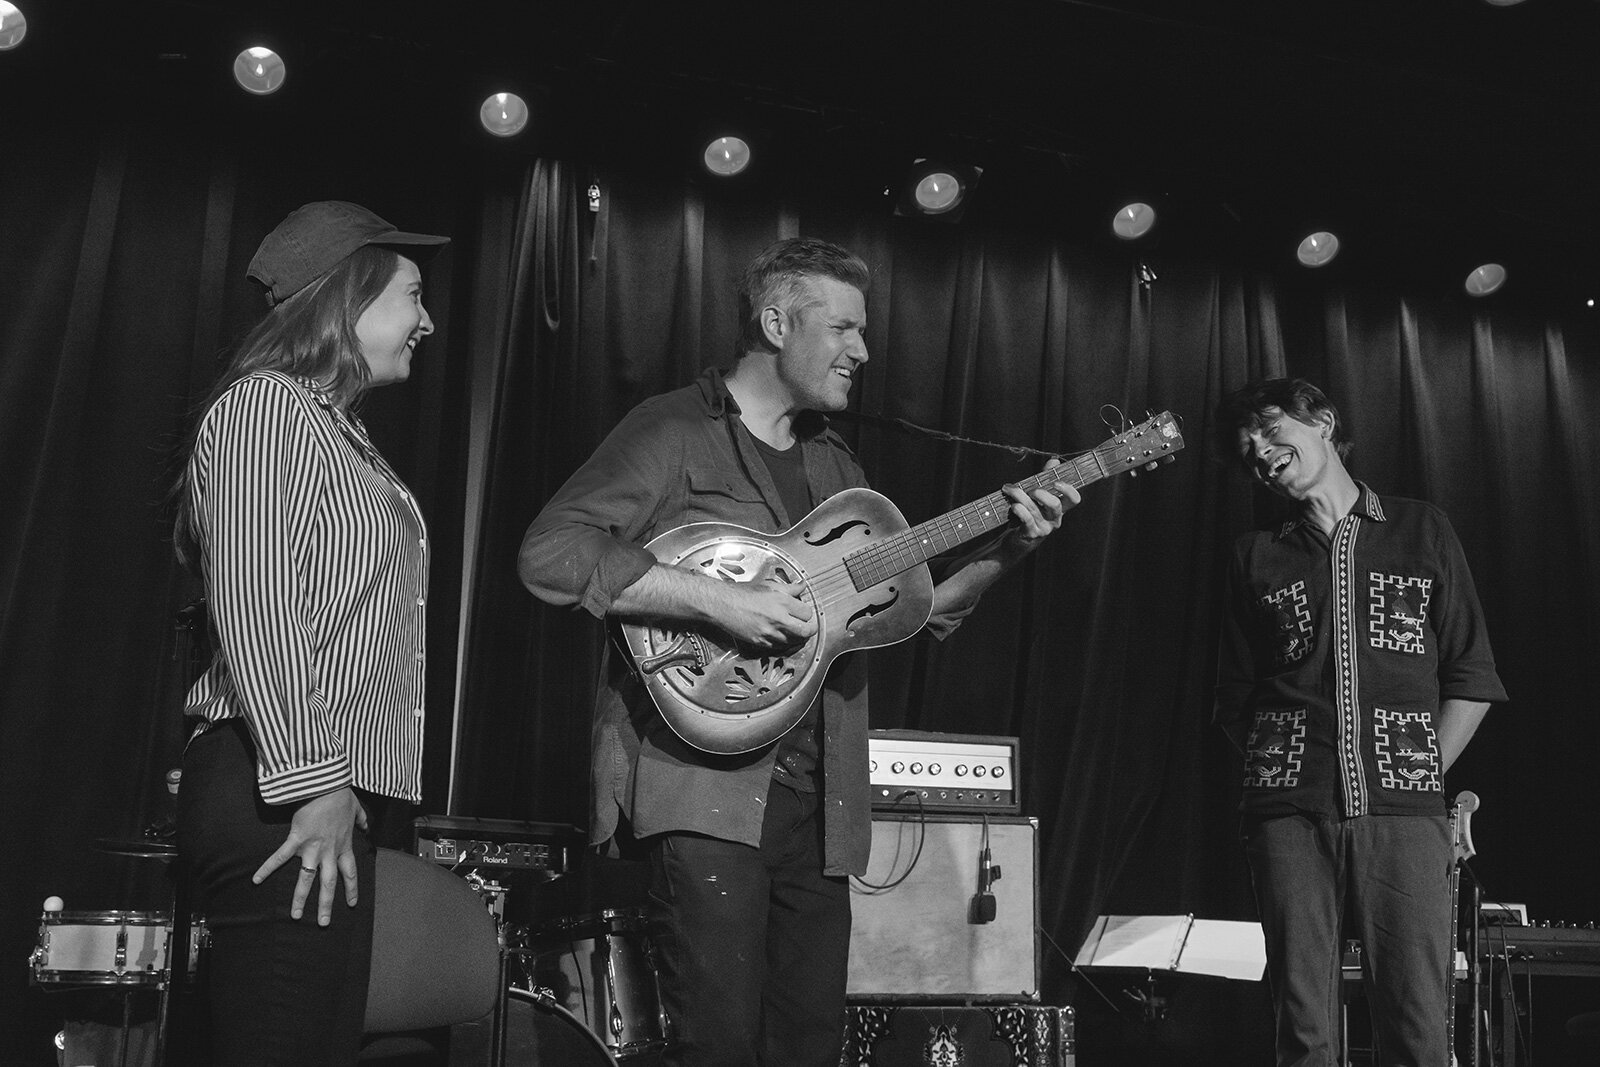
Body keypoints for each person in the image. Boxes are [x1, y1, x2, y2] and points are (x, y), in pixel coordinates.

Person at [518, 237, 1080, 1066]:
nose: (864, 351)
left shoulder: (836, 463)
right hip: (704, 792)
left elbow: (917, 613)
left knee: (809, 1047)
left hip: (821, 808)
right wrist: (722, 600)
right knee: (718, 1046)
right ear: (777, 324)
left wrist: (1012, 547)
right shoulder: (674, 430)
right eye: (844, 328)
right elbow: (552, 554)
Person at [172, 201, 448, 1065]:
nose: (428, 322)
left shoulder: (343, 433)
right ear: (345, 299)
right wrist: (314, 780)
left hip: (326, 791)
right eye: (412, 295)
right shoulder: (267, 407)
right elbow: (256, 599)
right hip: (282, 789)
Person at [1212, 378, 1507, 1067]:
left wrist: (1418, 771)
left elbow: (1472, 676)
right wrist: (1287, 771)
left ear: (1322, 421)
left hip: (1406, 813)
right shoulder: (1255, 554)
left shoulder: (1421, 528)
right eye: (1247, 448)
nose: (1259, 451)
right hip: (1286, 815)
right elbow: (1233, 697)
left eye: (1270, 428)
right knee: (1303, 1025)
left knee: (1417, 1025)